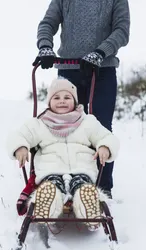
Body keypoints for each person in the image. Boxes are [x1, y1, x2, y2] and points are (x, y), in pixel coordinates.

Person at [32, 0, 130, 198]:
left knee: (100, 128)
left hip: (102, 70)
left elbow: (121, 30)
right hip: (69, 70)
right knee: (62, 127)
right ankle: (59, 180)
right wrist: (45, 45)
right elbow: (48, 23)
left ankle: (101, 189)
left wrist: (100, 52)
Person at [6, 77, 119, 228]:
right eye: (56, 97)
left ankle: (87, 205)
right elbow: (19, 135)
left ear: (75, 101)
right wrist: (20, 147)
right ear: (49, 102)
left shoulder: (88, 122)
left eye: (67, 97)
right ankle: (46, 205)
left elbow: (106, 136)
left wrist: (105, 146)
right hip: (50, 171)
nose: (62, 101)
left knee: (82, 186)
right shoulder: (39, 123)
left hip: (82, 170)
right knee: (51, 186)